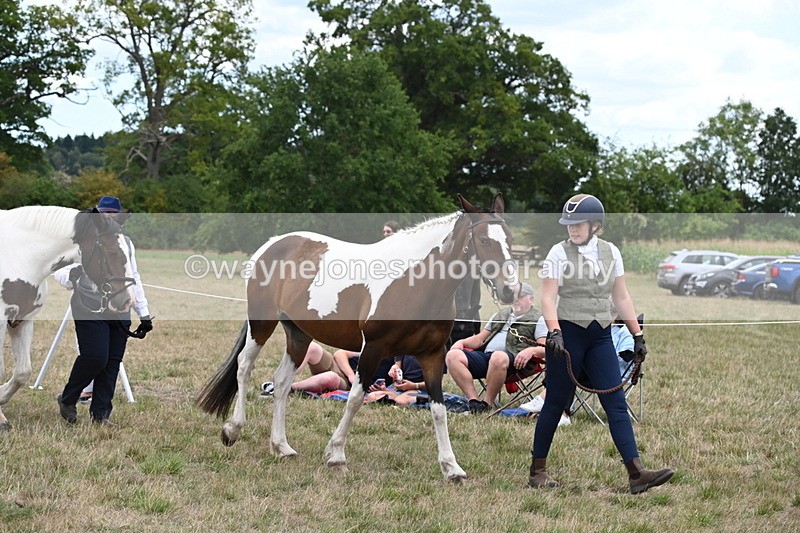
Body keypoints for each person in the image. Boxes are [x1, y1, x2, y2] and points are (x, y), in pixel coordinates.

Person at [528, 193, 673, 495]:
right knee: (555, 402)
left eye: (578, 224)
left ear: (596, 225)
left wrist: (637, 335)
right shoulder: (557, 252)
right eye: (568, 225)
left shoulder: (611, 252)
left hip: (600, 336)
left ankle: (636, 474)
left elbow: (621, 296)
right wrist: (554, 332)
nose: (572, 229)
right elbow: (547, 296)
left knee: (616, 402)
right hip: (567, 336)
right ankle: (537, 471)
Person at [55, 196, 153, 427]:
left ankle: (101, 415)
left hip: (119, 307)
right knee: (95, 357)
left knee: (112, 362)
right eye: (104, 214)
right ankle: (68, 398)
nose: (108, 218)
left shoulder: (125, 243)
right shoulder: (80, 240)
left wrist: (144, 312)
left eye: (112, 214)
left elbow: (133, 277)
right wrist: (73, 275)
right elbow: (59, 270)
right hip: (88, 305)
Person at [445, 282, 545, 414]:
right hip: (487, 357)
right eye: (513, 296)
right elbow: (480, 339)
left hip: (515, 362)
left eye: (520, 296)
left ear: (531, 299)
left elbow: (544, 347)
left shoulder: (538, 319)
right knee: (452, 355)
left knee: (498, 356)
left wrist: (531, 350)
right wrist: (462, 342)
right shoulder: (500, 315)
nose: (515, 300)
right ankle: (474, 402)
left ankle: (487, 403)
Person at [260, 342, 394, 397]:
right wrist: (351, 376)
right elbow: (340, 354)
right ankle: (282, 378)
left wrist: (383, 390)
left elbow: (400, 389)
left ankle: (283, 388)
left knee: (330, 377)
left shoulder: (398, 363)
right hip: (342, 369)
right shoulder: (376, 345)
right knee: (311, 347)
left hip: (347, 385)